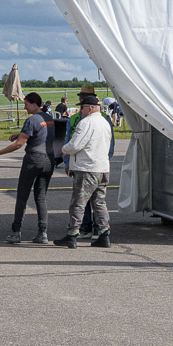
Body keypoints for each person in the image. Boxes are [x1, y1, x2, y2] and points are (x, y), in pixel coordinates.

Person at [0, 92, 59, 244]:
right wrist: (20, 134)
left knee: (22, 196)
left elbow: (19, 145)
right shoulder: (48, 118)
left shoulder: (32, 120)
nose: (25, 107)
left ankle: (16, 232)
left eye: (26, 104)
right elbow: (41, 134)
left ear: (35, 104)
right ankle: (43, 233)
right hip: (49, 160)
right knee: (40, 197)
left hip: (33, 160)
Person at [59, 93, 113, 248]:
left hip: (87, 168)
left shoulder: (86, 123)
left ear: (89, 108)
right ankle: (104, 234)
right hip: (102, 168)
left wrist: (64, 149)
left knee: (78, 203)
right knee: (99, 203)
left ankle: (72, 235)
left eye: (81, 108)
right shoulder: (105, 122)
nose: (80, 112)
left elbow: (75, 145)